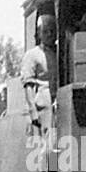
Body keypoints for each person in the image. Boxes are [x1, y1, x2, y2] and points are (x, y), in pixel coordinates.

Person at [22, 13, 56, 141]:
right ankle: (50, 162)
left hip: (58, 100)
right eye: (45, 31)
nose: (49, 35)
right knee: (48, 141)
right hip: (43, 102)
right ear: (39, 33)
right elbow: (28, 84)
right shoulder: (32, 55)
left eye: (52, 31)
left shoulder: (58, 52)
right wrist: (32, 110)